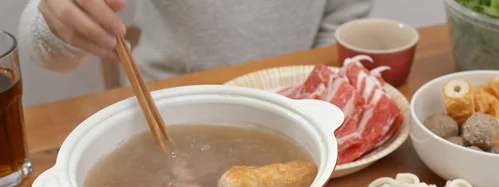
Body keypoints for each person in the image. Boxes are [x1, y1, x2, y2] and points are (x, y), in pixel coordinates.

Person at [18, 0, 373, 84]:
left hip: (296, 102)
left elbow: (344, 22)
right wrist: (56, 17)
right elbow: (47, 53)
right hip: (165, 104)